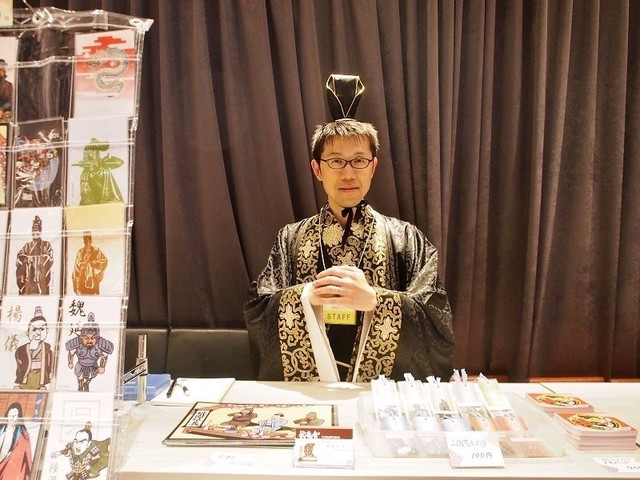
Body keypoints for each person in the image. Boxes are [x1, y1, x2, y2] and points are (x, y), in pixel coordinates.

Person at [244, 74, 455, 382]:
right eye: (335, 161)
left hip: (379, 393)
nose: (348, 174)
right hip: (311, 392)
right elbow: (258, 309)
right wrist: (306, 297)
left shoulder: (406, 239)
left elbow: (436, 318)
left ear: (373, 167)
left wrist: (375, 301)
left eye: (359, 161)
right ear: (317, 169)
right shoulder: (290, 238)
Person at [14, 306, 54, 389]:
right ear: (27, 332)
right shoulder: (21, 350)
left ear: (47, 331)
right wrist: (31, 349)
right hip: (25, 381)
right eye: (34, 329)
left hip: (40, 382)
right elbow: (19, 365)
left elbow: (50, 367)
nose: (38, 333)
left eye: (42, 329)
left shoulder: (48, 350)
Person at [16, 215, 54, 295]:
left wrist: (35, 260)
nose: (35, 233)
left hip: (41, 281)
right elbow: (20, 256)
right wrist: (27, 259)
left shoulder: (46, 245)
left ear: (40, 231)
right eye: (34, 230)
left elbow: (49, 258)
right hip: (28, 280)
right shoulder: (27, 245)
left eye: (37, 230)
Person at [0, 402, 33, 480]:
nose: (11, 417)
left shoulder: (22, 433)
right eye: (10, 414)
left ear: (18, 417)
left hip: (9, 464)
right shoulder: (1, 428)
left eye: (14, 415)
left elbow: (23, 452)